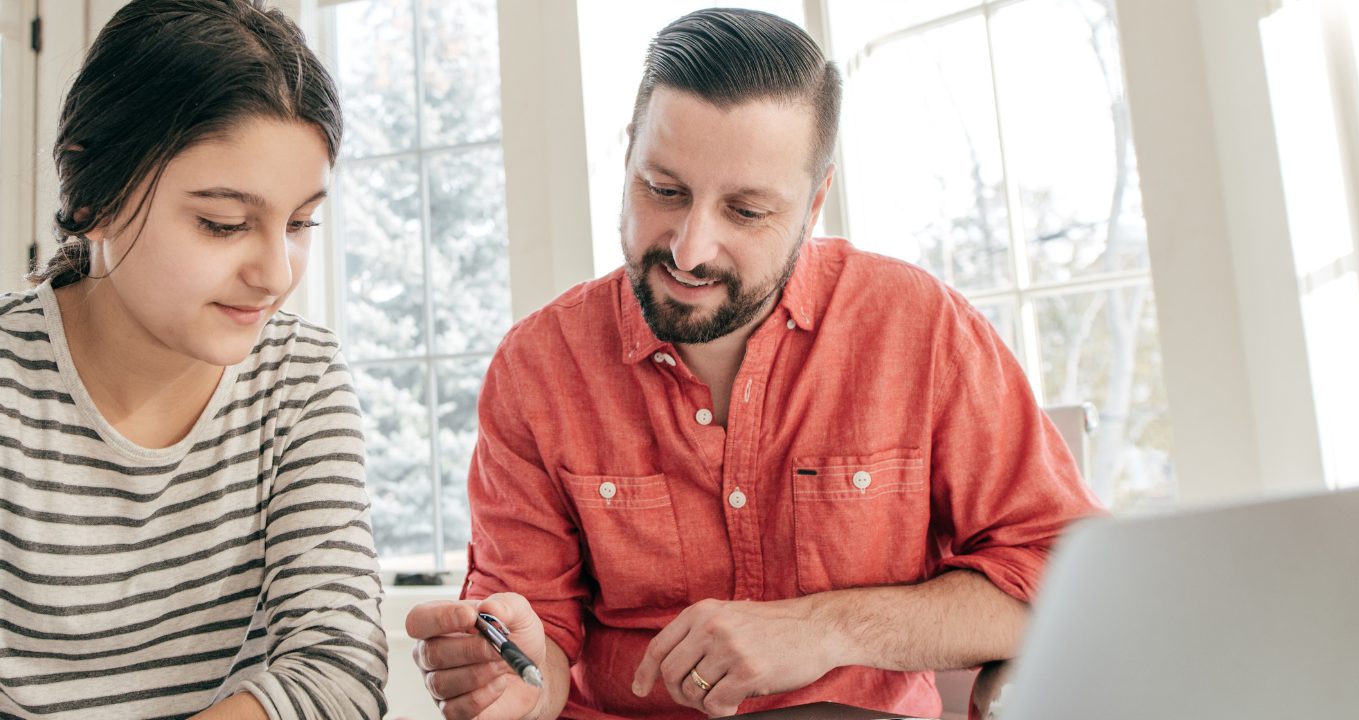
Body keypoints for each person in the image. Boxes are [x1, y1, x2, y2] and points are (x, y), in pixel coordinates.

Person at [406, 8, 1101, 720]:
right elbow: (538, 648)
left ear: (814, 204)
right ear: (627, 158)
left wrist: (826, 628)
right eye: (664, 191)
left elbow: (1069, 579)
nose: (689, 250)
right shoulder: (537, 368)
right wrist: (509, 682)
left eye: (746, 211)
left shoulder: (920, 328)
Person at [0, 1, 386, 717]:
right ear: (95, 195)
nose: (275, 273)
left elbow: (338, 664)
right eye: (224, 223)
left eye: (301, 223)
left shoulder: (298, 381)